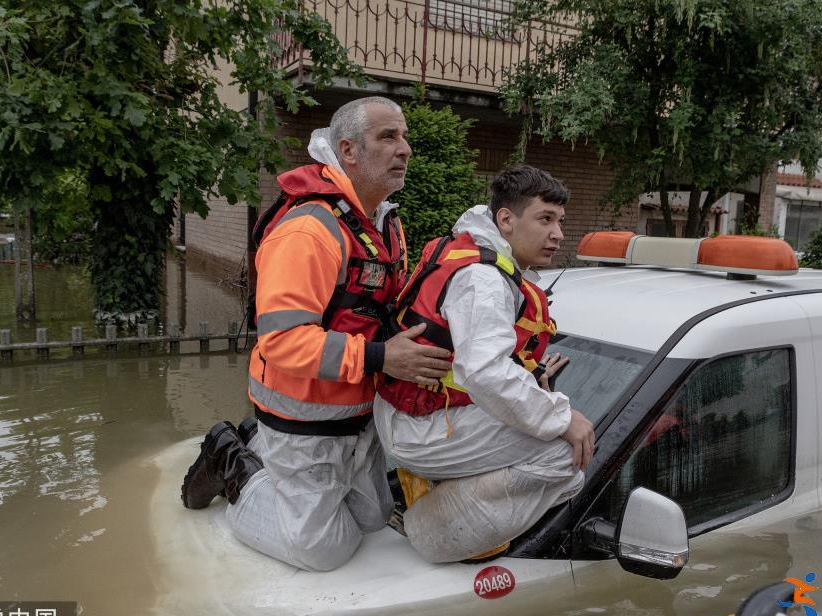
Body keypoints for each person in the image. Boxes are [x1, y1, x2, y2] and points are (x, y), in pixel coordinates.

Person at [180, 96, 451, 572]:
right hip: (302, 417)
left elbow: (380, 311)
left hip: (358, 416)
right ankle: (230, 459)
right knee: (323, 551)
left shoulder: (386, 224)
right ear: (348, 150)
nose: (405, 148)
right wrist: (382, 359)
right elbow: (283, 342)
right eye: (389, 137)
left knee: (373, 519)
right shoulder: (308, 230)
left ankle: (257, 445)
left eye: (405, 136)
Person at [374, 165, 596, 563]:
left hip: (407, 410)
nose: (558, 234)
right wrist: (564, 418)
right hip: (418, 430)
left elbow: (478, 358)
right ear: (506, 220)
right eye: (545, 219)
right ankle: (431, 533)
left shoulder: (474, 251)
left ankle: (444, 491)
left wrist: (532, 376)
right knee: (568, 454)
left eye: (560, 221)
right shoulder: (484, 280)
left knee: (543, 418)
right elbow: (487, 374)